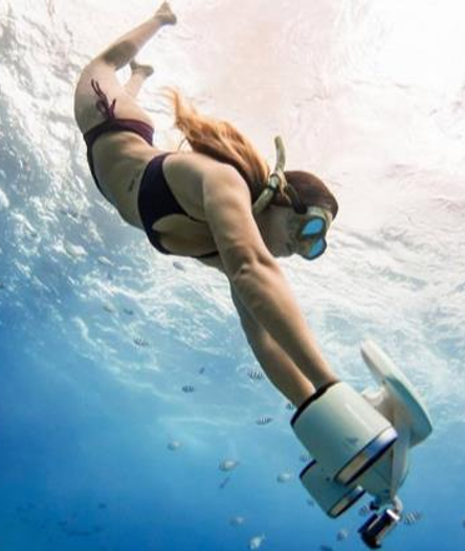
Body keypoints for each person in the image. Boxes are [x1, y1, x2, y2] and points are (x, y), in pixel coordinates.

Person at [73, 2, 342, 407]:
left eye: (315, 247)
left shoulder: (225, 249)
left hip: (120, 164)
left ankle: (140, 77)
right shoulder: (222, 180)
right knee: (103, 66)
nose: (301, 247)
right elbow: (253, 269)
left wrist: (322, 408)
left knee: (125, 85)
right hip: (109, 120)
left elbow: (265, 340)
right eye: (311, 228)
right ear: (284, 198)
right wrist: (332, 384)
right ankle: (160, 19)